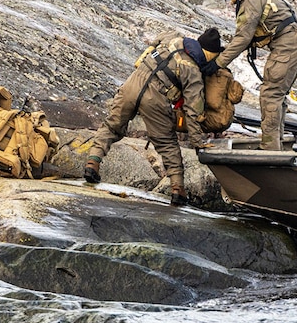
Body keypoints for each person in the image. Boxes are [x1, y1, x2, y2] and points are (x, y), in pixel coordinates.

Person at [83, 28, 224, 206]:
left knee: (112, 126)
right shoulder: (193, 70)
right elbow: (193, 110)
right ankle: (178, 190)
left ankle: (92, 163)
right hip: (155, 97)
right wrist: (197, 143)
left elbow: (157, 40)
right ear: (210, 54)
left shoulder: (173, 37)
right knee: (167, 143)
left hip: (132, 83)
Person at [209, 0, 297, 150]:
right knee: (277, 94)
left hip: (288, 45)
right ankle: (276, 144)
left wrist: (218, 63)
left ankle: (269, 149)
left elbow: (243, 37)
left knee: (270, 95)